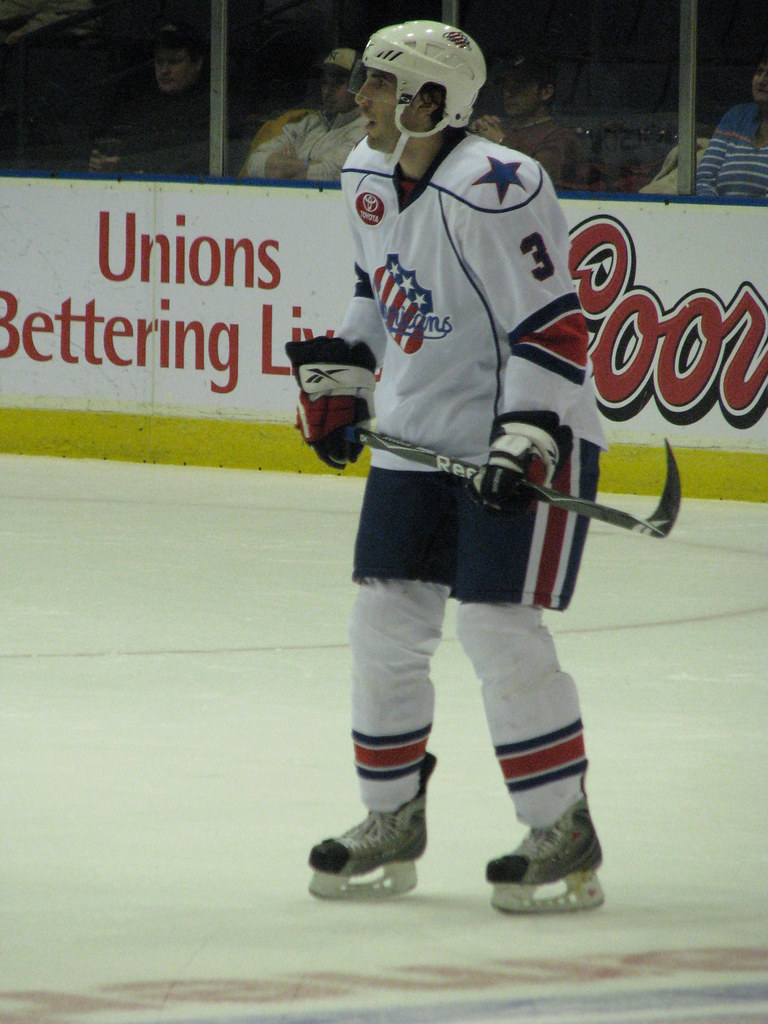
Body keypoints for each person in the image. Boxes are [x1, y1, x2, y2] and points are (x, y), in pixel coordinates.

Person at [285, 21, 607, 914]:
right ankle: (391, 816)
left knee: (498, 630)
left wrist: (526, 435)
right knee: (382, 623)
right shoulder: (362, 171)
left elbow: (554, 324)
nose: (360, 98)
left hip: (527, 434)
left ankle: (562, 826)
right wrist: (347, 376)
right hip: (423, 434)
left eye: (380, 86)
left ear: (434, 101)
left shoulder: (500, 188)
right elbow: (375, 286)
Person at [88, 21, 209, 177]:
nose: (164, 70)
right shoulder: (136, 109)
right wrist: (104, 168)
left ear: (197, 63)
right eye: (159, 61)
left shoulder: (215, 112)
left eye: (174, 62)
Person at [238, 48, 365, 182]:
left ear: (358, 86)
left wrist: (284, 166)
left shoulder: (366, 130)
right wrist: (306, 165)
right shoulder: (310, 122)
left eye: (337, 83)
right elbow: (255, 162)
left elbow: (331, 174)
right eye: (324, 82)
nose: (327, 91)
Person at [468, 54, 581, 189]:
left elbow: (538, 179)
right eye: (506, 86)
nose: (508, 93)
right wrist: (471, 138)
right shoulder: (496, 128)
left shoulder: (562, 137)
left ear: (545, 92)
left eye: (519, 86)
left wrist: (500, 142)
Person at [696, 47, 768, 198]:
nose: (762, 80)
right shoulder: (735, 117)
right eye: (759, 72)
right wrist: (716, 214)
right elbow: (704, 179)